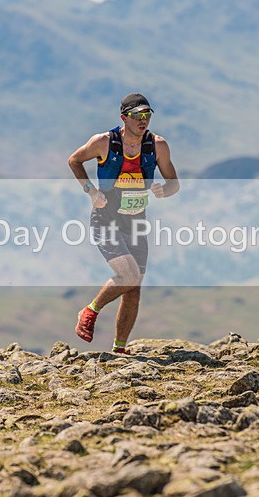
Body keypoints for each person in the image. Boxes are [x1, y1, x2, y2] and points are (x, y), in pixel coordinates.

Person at [67, 93, 180, 354]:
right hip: (106, 219)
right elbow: (74, 160)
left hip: (136, 221)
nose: (143, 120)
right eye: (137, 115)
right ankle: (89, 311)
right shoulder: (104, 142)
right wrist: (91, 191)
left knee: (133, 288)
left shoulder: (158, 146)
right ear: (123, 118)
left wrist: (167, 190)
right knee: (128, 275)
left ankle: (119, 349)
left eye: (147, 115)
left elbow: (174, 183)